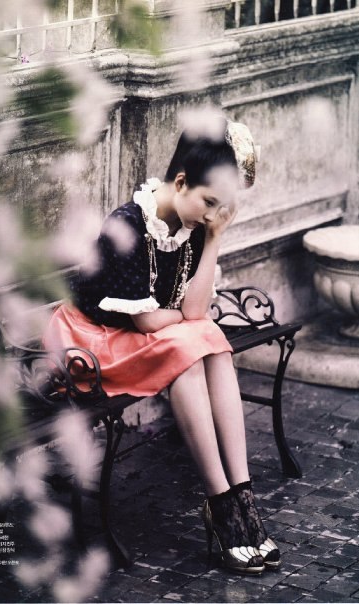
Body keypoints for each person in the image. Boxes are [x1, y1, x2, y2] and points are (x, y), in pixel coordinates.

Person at [43, 116, 280, 575]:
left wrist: (215, 238)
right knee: (188, 352)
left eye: (221, 207)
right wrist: (180, 319)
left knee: (213, 344)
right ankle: (220, 504)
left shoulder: (195, 226)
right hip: (90, 343)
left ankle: (242, 496)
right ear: (181, 181)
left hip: (141, 338)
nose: (211, 214)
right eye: (209, 202)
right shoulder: (129, 223)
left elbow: (195, 313)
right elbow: (150, 319)